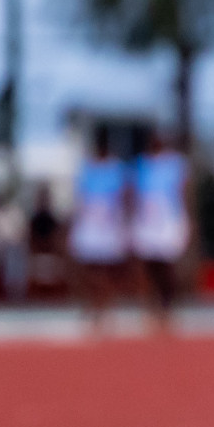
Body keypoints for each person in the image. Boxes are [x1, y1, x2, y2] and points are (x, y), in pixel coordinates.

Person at [68, 127, 130, 328]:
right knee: (89, 269)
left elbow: (124, 198)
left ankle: (105, 307)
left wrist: (123, 224)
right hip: (90, 222)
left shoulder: (116, 169)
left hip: (109, 223)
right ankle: (92, 305)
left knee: (106, 270)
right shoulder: (87, 168)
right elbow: (80, 199)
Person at [131, 131, 191, 331]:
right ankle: (150, 309)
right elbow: (133, 195)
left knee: (167, 268)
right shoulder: (141, 165)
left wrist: (185, 220)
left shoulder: (175, 164)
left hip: (167, 220)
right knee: (147, 268)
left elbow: (183, 193)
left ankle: (167, 307)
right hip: (146, 221)